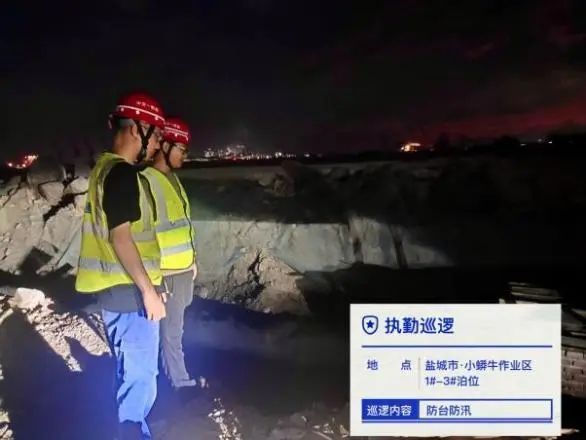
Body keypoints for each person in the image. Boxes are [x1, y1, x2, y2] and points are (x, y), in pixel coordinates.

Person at [75, 92, 167, 439]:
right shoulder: (122, 174)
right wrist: (148, 291)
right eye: (155, 135)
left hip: (120, 294)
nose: (157, 144)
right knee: (139, 380)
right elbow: (122, 238)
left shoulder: (104, 170)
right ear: (135, 130)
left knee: (130, 374)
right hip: (130, 297)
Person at [141, 117, 198, 390]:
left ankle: (170, 379)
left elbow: (181, 224)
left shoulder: (173, 180)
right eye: (181, 149)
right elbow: (142, 236)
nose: (184, 156)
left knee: (175, 331)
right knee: (171, 334)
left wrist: (193, 260)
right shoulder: (146, 182)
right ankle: (180, 384)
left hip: (183, 271)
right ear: (164, 145)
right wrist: (155, 281)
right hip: (167, 275)